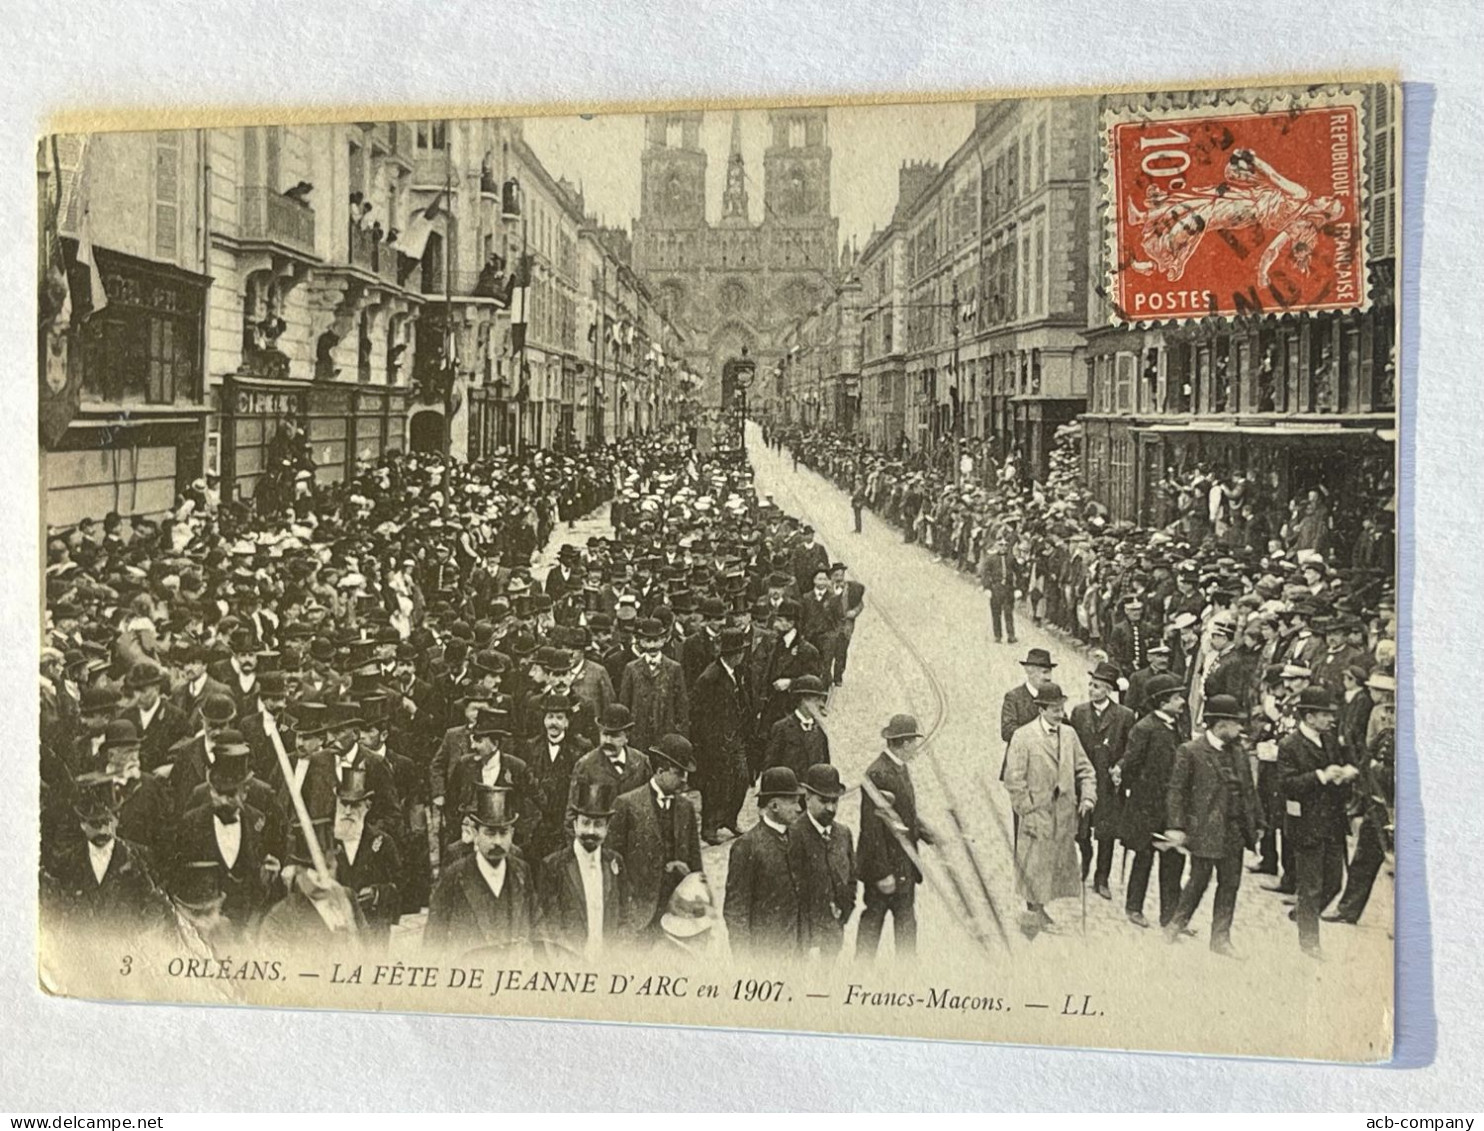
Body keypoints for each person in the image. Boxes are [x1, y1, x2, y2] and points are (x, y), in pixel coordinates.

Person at [1161, 695, 1261, 956]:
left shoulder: (1238, 752)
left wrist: (1257, 822)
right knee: (1199, 880)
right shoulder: (1191, 751)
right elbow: (1176, 792)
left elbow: (1249, 790)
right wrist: (1176, 826)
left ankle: (1221, 939)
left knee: (1230, 885)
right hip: (1205, 829)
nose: (1240, 729)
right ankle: (1176, 924)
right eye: (1236, 723)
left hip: (1234, 831)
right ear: (1219, 724)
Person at [1004, 682, 1097, 934]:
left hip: (1064, 814)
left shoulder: (1069, 734)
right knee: (1033, 863)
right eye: (1055, 709)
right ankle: (1033, 915)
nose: (1060, 714)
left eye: (1061, 708)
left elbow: (1085, 769)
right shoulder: (1023, 736)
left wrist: (1088, 797)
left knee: (1052, 864)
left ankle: (1039, 908)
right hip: (1037, 813)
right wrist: (1026, 810)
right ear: (1042, 709)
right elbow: (1014, 778)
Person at [1278, 686, 1356, 958]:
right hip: (1307, 825)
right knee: (1311, 887)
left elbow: (1344, 762)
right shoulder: (1290, 745)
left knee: (1334, 883)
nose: (1330, 720)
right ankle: (1309, 943)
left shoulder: (1330, 740)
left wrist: (1346, 773)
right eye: (1324, 715)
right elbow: (1287, 784)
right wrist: (1321, 776)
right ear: (1309, 717)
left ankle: (1301, 913)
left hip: (1332, 823)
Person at [607, 734, 702, 936]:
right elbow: (611, 861)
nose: (685, 780)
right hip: (638, 915)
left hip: (677, 912)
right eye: (679, 773)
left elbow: (696, 864)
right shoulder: (627, 805)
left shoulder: (686, 808)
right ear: (660, 771)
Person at [425, 786, 537, 957]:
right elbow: (433, 938)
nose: (497, 842)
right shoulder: (455, 875)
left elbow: (535, 926)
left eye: (503, 833)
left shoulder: (522, 872)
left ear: (512, 834)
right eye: (490, 833)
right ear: (476, 834)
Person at [856, 714, 931, 960]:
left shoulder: (899, 768)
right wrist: (881, 873)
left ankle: (906, 976)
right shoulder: (878, 774)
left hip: (904, 865)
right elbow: (872, 828)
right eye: (914, 743)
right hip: (885, 868)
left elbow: (902, 815)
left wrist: (925, 832)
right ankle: (859, 975)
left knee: (907, 924)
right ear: (905, 743)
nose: (916, 750)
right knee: (873, 922)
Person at [1118, 673, 1189, 929]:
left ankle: (1170, 916)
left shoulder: (1177, 725)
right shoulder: (1144, 728)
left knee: (1173, 862)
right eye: (1177, 697)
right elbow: (1130, 765)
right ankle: (1133, 907)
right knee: (1143, 857)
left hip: (1171, 809)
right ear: (1162, 703)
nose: (1182, 701)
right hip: (1147, 807)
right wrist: (1137, 794)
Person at [538, 779, 626, 960]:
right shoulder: (553, 865)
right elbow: (550, 925)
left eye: (598, 824)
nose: (591, 831)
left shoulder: (615, 861)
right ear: (575, 824)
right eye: (585, 823)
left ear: (607, 827)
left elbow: (626, 914)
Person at [1069, 661, 1135, 900]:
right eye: (1090, 685)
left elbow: (1131, 749)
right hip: (1083, 780)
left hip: (1108, 783)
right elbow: (1070, 743)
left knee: (1106, 833)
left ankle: (1102, 878)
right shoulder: (1078, 712)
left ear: (1108, 690)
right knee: (1081, 831)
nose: (1091, 690)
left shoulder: (1124, 716)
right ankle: (1085, 858)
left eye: (1096, 686)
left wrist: (1120, 767)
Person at [723, 766, 803, 958]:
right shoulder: (747, 846)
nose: (799, 808)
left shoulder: (798, 837)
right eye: (792, 802)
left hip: (796, 952)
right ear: (774, 806)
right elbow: (736, 911)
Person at [690, 628, 754, 843]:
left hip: (735, 738)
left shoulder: (735, 672)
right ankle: (709, 828)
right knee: (715, 785)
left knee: (742, 778)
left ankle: (730, 818)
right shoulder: (711, 677)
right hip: (716, 743)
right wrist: (712, 744)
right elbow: (700, 715)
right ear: (735, 654)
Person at [788, 763, 856, 963]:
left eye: (835, 801)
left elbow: (851, 877)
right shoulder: (793, 834)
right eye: (823, 800)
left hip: (833, 934)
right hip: (804, 938)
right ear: (807, 797)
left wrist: (845, 910)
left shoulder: (843, 834)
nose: (831, 808)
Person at [330, 766, 402, 944]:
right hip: (336, 931)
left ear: (367, 806)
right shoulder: (326, 843)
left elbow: (401, 886)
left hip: (372, 929)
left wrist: (377, 893)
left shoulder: (383, 842)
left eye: (354, 805)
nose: (347, 811)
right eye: (343, 804)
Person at [618, 618, 690, 752]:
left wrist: (679, 737)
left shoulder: (674, 668)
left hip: (665, 737)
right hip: (638, 738)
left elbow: (681, 706)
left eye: (656, 640)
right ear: (640, 642)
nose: (652, 646)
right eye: (647, 641)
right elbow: (625, 704)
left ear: (663, 640)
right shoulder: (631, 668)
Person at [762, 675, 831, 778]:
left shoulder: (820, 733)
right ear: (803, 700)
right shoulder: (781, 728)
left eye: (822, 700)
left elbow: (825, 772)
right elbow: (770, 770)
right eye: (816, 700)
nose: (821, 705)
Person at [827, 562, 865, 686]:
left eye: (841, 575)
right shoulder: (827, 588)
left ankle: (838, 676)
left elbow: (860, 604)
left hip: (845, 626)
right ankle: (826, 676)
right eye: (836, 575)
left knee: (841, 652)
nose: (839, 578)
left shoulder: (850, 588)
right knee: (828, 651)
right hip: (829, 625)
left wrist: (854, 612)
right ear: (831, 576)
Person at [980, 535, 1022, 645]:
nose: (1003, 547)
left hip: (1008, 588)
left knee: (1008, 612)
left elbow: (1019, 573)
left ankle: (1011, 635)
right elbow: (985, 574)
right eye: (1001, 545)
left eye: (1005, 545)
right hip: (996, 588)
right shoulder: (991, 559)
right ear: (996, 545)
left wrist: (1018, 588)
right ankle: (998, 635)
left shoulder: (1011, 559)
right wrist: (987, 587)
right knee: (996, 612)